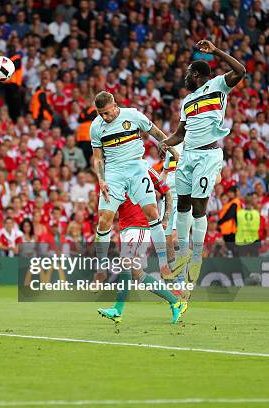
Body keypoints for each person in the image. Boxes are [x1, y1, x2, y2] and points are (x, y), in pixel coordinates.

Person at [161, 40, 246, 284]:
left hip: (208, 156)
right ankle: (184, 253)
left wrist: (217, 51)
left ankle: (197, 256)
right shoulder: (186, 102)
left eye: (188, 73)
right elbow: (180, 134)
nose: (185, 77)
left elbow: (241, 71)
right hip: (187, 154)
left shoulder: (218, 86)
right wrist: (166, 143)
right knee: (183, 205)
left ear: (196, 74)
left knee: (199, 207)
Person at [91, 91, 179, 280]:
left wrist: (173, 151)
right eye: (100, 114)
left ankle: (163, 265)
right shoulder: (96, 127)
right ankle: (100, 269)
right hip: (113, 172)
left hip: (137, 166)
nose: (104, 117)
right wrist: (101, 179)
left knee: (152, 213)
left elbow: (156, 133)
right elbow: (98, 157)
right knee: (104, 219)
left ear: (115, 106)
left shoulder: (133, 115)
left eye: (107, 112)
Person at [97, 167, 187, 324]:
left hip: (139, 226)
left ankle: (117, 310)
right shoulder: (114, 173)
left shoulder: (144, 168)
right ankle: (175, 302)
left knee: (126, 263)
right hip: (126, 228)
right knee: (137, 274)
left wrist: (165, 218)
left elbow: (167, 192)